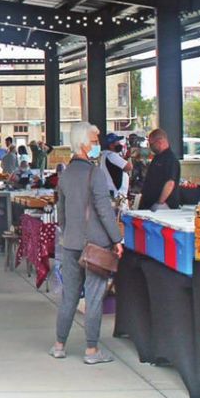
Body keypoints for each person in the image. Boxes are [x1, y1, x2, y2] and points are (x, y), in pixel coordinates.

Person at [51, 122, 125, 364]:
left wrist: (69, 232)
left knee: (70, 296)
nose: (98, 146)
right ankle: (92, 350)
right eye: (94, 141)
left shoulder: (65, 174)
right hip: (95, 245)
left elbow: (60, 212)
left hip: (70, 243)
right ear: (83, 145)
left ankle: (59, 344)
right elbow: (104, 210)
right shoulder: (96, 174)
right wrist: (117, 239)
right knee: (93, 298)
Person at [139, 129, 181, 211]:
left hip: (163, 205)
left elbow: (170, 183)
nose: (150, 147)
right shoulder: (157, 157)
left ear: (159, 142)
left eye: (151, 144)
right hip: (149, 204)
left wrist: (160, 203)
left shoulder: (170, 159)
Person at [101, 133, 132, 199]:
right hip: (116, 194)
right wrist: (128, 157)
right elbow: (129, 167)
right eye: (117, 143)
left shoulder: (103, 155)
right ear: (111, 145)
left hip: (109, 192)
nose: (120, 144)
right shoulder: (111, 155)